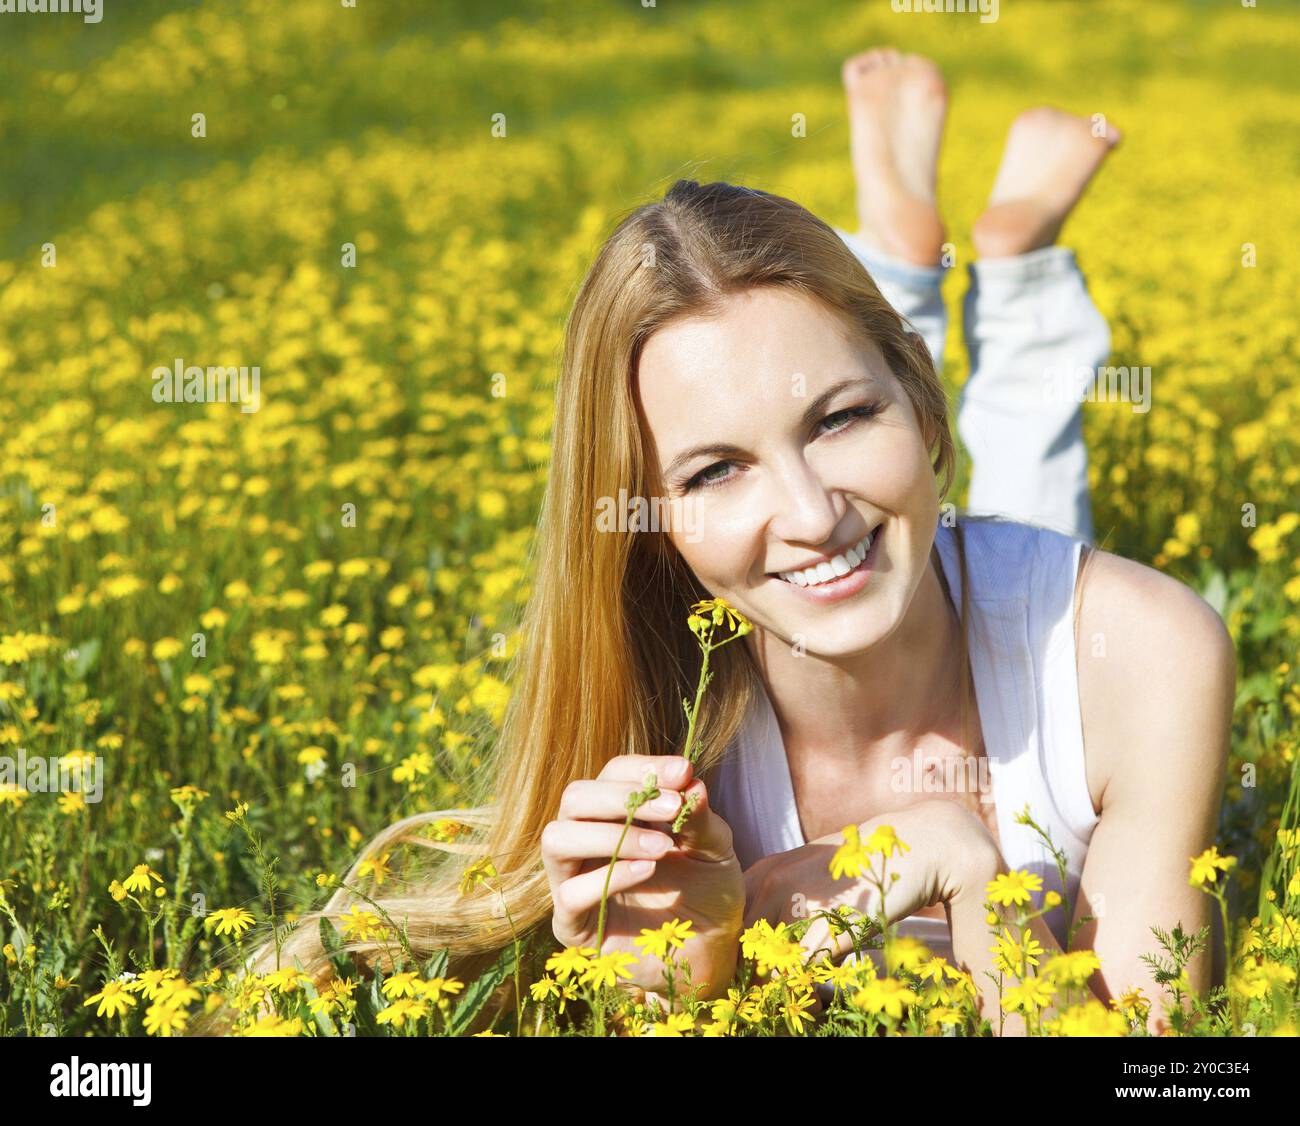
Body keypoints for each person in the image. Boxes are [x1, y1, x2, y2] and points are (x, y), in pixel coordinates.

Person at [249, 50, 1235, 1038]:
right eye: (714, 471)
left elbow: (1156, 1061)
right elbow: (667, 997)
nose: (808, 513)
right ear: (651, 521)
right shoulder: (657, 725)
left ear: (919, 402)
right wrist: (688, 973)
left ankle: (1003, 277)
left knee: (1026, 491)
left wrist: (975, 874)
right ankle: (899, 268)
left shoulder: (1141, 653)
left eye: (841, 418)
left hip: (1000, 566)